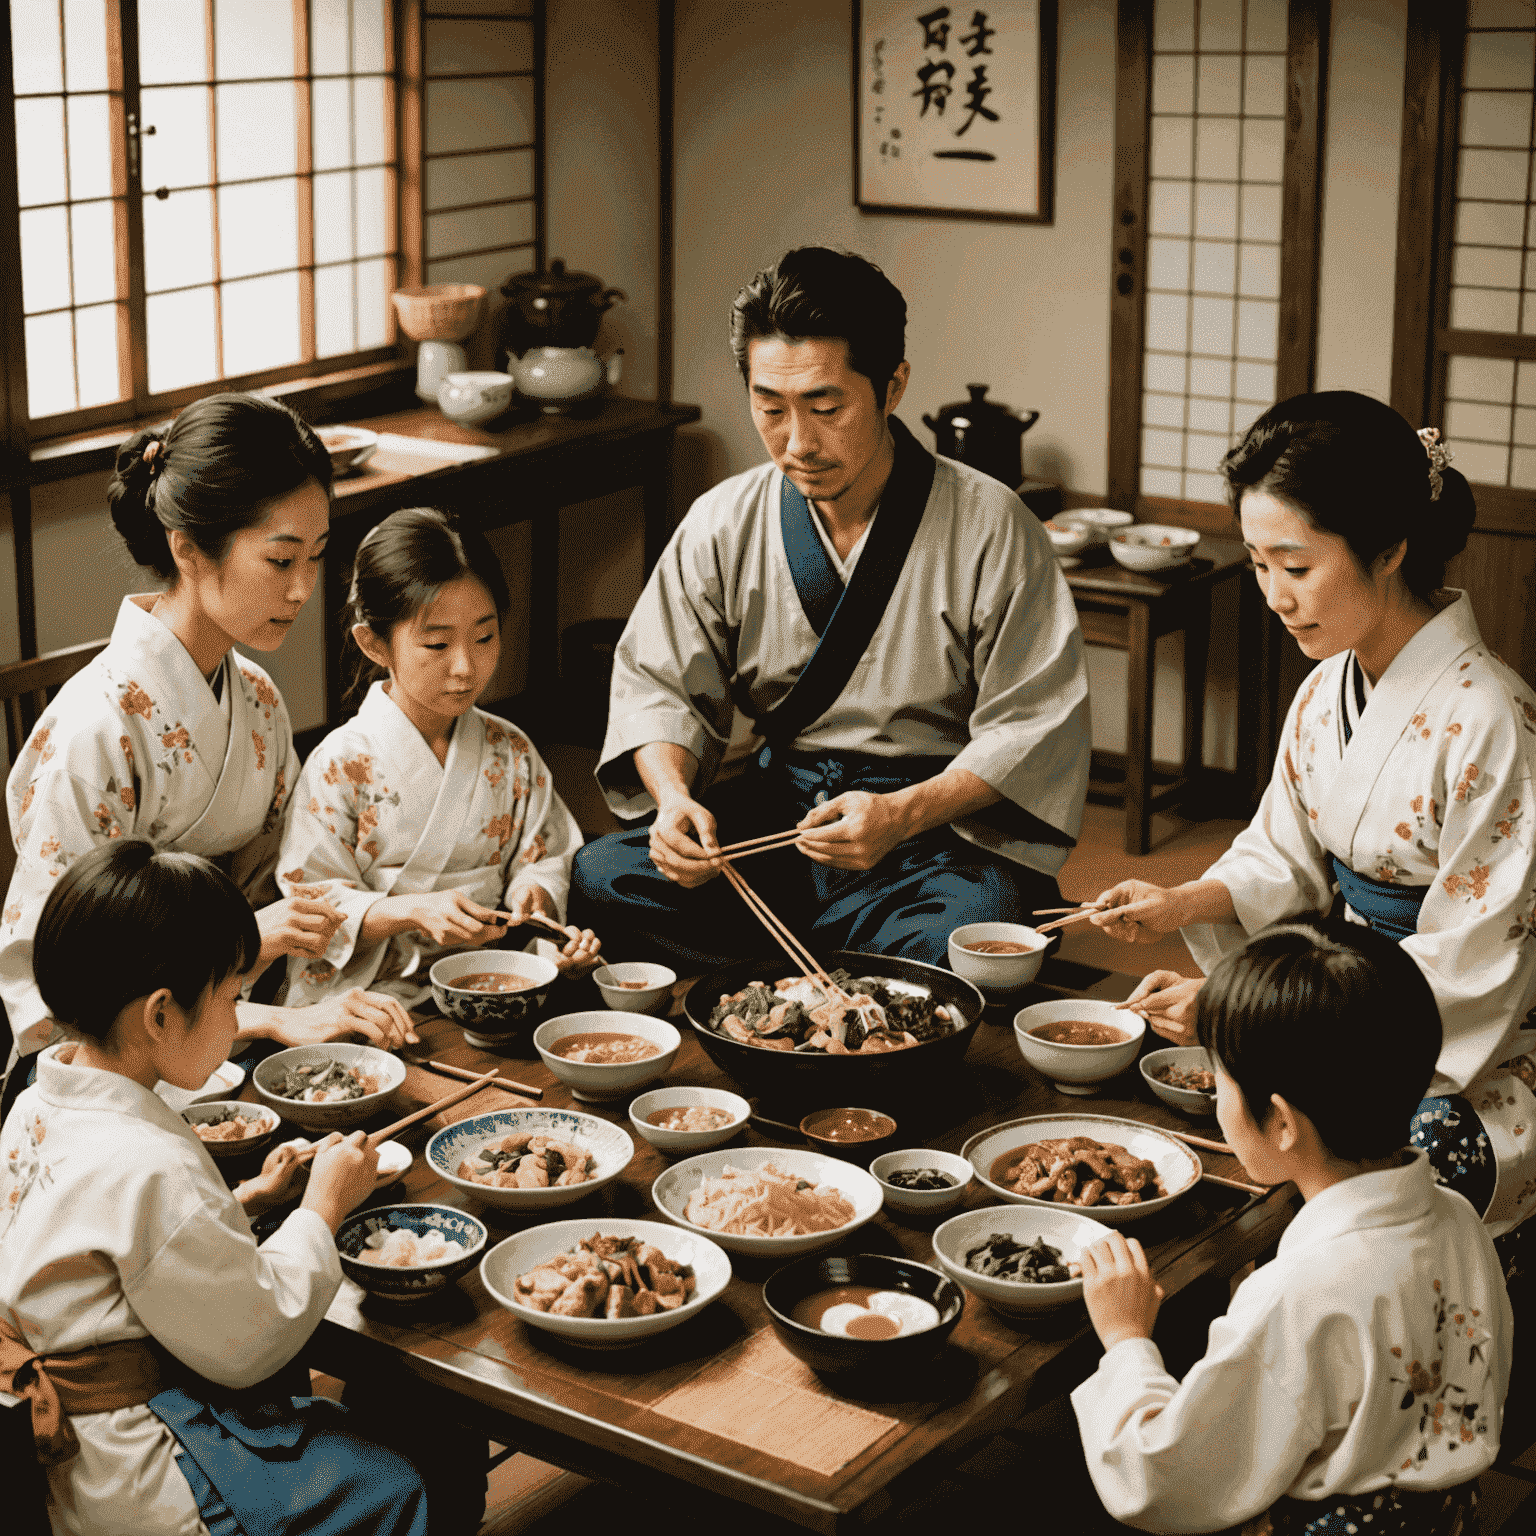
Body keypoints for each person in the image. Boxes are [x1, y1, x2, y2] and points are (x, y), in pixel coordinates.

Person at [1086, 393, 1536, 1245]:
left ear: (1390, 548)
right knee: (1195, 1114)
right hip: (1349, 1013)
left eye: (1296, 566)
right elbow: (1283, 858)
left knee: (1345, 1166)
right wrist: (1184, 902)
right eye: (1258, 565)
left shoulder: (1494, 722)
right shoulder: (1326, 688)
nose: (1275, 596)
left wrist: (1243, 1007)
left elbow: (1475, 967)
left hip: (1473, 1059)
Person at [571, 247, 1090, 971]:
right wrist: (671, 801)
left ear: (892, 385)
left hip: (932, 829)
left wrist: (903, 813)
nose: (797, 442)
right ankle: (849, 969)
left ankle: (789, 964)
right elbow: (660, 684)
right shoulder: (724, 521)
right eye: (770, 407)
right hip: (782, 816)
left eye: (826, 407)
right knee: (602, 877)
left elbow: (1032, 724)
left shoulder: (993, 525)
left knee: (971, 932)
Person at [0, 840, 445, 1536]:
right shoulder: (147, 1160)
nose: (238, 1021)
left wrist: (245, 1203)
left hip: (63, 1436)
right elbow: (251, 1339)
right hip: (133, 1464)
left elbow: (101, 1251)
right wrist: (323, 1207)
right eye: (233, 997)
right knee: (390, 1488)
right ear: (159, 1014)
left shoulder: (36, 1103)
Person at [0, 393, 417, 1128]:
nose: (302, 589)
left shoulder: (254, 697)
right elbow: (64, 990)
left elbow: (282, 881)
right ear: (188, 547)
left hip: (223, 1020)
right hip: (101, 1065)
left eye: (316, 558)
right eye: (281, 559)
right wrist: (263, 994)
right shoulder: (97, 731)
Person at [1072, 918, 1511, 1536]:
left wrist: (1126, 1340)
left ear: (1281, 1121)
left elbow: (1162, 1477)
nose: (1221, 1098)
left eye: (1221, 1078)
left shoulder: (1299, 1292)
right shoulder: (1458, 1218)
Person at [277, 507, 599, 1005]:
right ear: (373, 643)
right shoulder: (340, 764)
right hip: (364, 990)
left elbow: (544, 856)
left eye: (484, 636)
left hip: (484, 978)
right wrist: (411, 912)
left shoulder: (509, 751)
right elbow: (312, 906)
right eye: (436, 643)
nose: (466, 666)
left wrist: (532, 895)